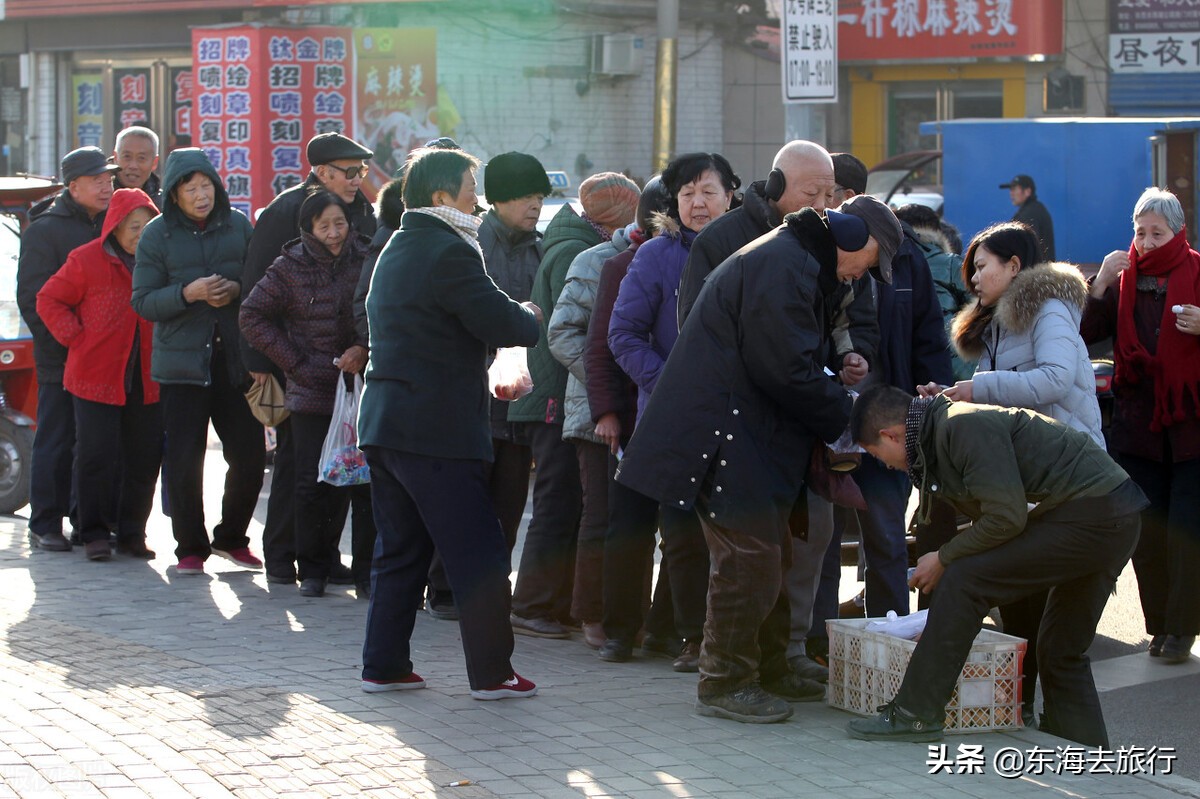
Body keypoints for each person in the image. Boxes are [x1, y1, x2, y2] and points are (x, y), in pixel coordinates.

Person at [615, 196, 903, 723]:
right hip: (722, 434)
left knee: (773, 556)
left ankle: (770, 667)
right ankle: (725, 680)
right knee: (747, 560)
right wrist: (852, 419)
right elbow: (785, 368)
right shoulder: (785, 261)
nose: (865, 275)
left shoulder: (798, 258)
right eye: (871, 261)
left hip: (749, 433)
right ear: (855, 239)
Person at [846, 386, 1147, 746]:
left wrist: (944, 557)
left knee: (964, 579)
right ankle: (1088, 755)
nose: (885, 464)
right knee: (1059, 649)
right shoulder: (942, 429)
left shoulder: (961, 426)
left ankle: (915, 713)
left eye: (877, 455)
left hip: (1095, 515)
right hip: (1114, 515)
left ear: (890, 435)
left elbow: (1006, 518)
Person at [357, 146, 541, 700]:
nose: (476, 194)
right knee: (479, 553)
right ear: (441, 195)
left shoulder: (401, 244)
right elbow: (498, 317)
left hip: (389, 424)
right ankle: (493, 674)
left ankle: (383, 666)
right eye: (468, 183)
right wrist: (527, 315)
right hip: (434, 428)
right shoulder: (448, 251)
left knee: (401, 551)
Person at [924, 221, 1103, 723]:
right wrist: (950, 392)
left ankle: (1064, 737)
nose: (973, 279)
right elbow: (1003, 391)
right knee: (1025, 608)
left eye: (981, 267)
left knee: (1056, 632)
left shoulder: (1050, 309)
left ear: (1015, 266)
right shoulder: (1001, 321)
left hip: (1074, 482)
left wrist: (978, 390)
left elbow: (1052, 379)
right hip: (1034, 484)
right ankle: (1020, 713)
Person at [608, 152, 740, 672]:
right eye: (687, 194)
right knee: (682, 534)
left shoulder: (755, 249)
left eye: (707, 191)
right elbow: (623, 334)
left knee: (736, 535)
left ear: (731, 193)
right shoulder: (657, 256)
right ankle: (691, 637)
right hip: (673, 418)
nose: (697, 203)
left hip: (739, 418)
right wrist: (671, 385)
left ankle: (721, 634)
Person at [508, 172, 640, 640]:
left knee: (568, 505)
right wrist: (607, 383)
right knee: (559, 504)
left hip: (563, 393)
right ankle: (534, 604)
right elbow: (564, 333)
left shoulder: (576, 240)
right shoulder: (579, 251)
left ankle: (552, 603)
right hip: (557, 396)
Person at [241, 132, 376, 587]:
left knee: (341, 464)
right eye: (349, 172)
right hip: (292, 367)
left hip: (347, 374)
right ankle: (283, 557)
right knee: (299, 468)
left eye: (361, 171)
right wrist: (272, 360)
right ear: (321, 173)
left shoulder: (358, 213)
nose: (358, 179)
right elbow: (254, 292)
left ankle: (322, 556)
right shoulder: (285, 212)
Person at [422, 150, 552, 621]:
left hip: (518, 399)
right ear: (495, 200)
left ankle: (489, 590)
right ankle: (443, 589)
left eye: (538, 197)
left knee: (510, 504)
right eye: (523, 197)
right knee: (464, 501)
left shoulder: (542, 249)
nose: (533, 206)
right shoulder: (472, 244)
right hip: (470, 396)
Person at [1081, 187, 1200, 665]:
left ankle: (1182, 629)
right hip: (1136, 429)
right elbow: (1085, 334)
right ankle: (1159, 626)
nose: (1147, 242)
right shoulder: (1124, 277)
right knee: (1147, 534)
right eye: (1140, 232)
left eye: (1157, 232)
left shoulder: (1196, 269)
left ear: (1177, 231)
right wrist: (1100, 284)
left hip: (1191, 429)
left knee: (1187, 533)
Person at [131, 148, 263, 576]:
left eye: (207, 185)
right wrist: (188, 293)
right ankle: (190, 547)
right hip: (182, 367)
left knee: (248, 454)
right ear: (174, 194)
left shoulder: (238, 225)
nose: (201, 195)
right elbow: (143, 302)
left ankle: (232, 537)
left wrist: (236, 288)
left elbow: (262, 282)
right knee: (185, 459)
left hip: (234, 361)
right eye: (191, 189)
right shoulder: (156, 235)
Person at [35, 188, 162, 562]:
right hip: (95, 374)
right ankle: (92, 532)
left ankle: (131, 533)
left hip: (149, 377)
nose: (141, 233)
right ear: (115, 228)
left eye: (148, 225)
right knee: (95, 456)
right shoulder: (86, 258)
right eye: (134, 226)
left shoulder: (161, 262)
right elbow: (48, 298)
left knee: (143, 458)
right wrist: (74, 336)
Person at [584, 177, 680, 663]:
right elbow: (601, 347)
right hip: (631, 419)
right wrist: (605, 413)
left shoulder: (712, 259)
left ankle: (663, 629)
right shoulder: (621, 265)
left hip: (683, 421)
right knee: (629, 528)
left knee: (681, 533)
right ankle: (621, 630)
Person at [546, 188, 642, 649]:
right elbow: (561, 333)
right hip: (595, 414)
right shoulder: (595, 260)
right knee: (600, 515)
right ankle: (591, 615)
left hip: (643, 411)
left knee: (634, 521)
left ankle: (631, 616)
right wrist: (608, 384)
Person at [17, 146, 119, 552]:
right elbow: (33, 298)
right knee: (57, 439)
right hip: (61, 357)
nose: (106, 186)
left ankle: (88, 521)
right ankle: (45, 522)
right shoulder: (45, 230)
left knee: (93, 444)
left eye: (108, 179)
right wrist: (69, 342)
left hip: (104, 360)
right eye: (97, 180)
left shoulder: (113, 226)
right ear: (72, 186)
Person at [893, 203, 973, 381]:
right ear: (939, 231)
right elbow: (980, 309)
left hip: (903, 369)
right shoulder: (951, 263)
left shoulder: (888, 263)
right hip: (956, 369)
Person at [1001, 174, 1055, 261]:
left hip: (1033, 272)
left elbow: (1025, 246)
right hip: (1040, 271)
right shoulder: (1036, 209)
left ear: (1027, 191)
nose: (1011, 193)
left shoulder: (1029, 214)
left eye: (1014, 189)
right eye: (1010, 189)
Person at [112, 126, 162, 206]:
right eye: (127, 156)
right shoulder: (100, 201)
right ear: (115, 157)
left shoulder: (166, 207)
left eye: (141, 158)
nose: (133, 166)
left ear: (154, 162)